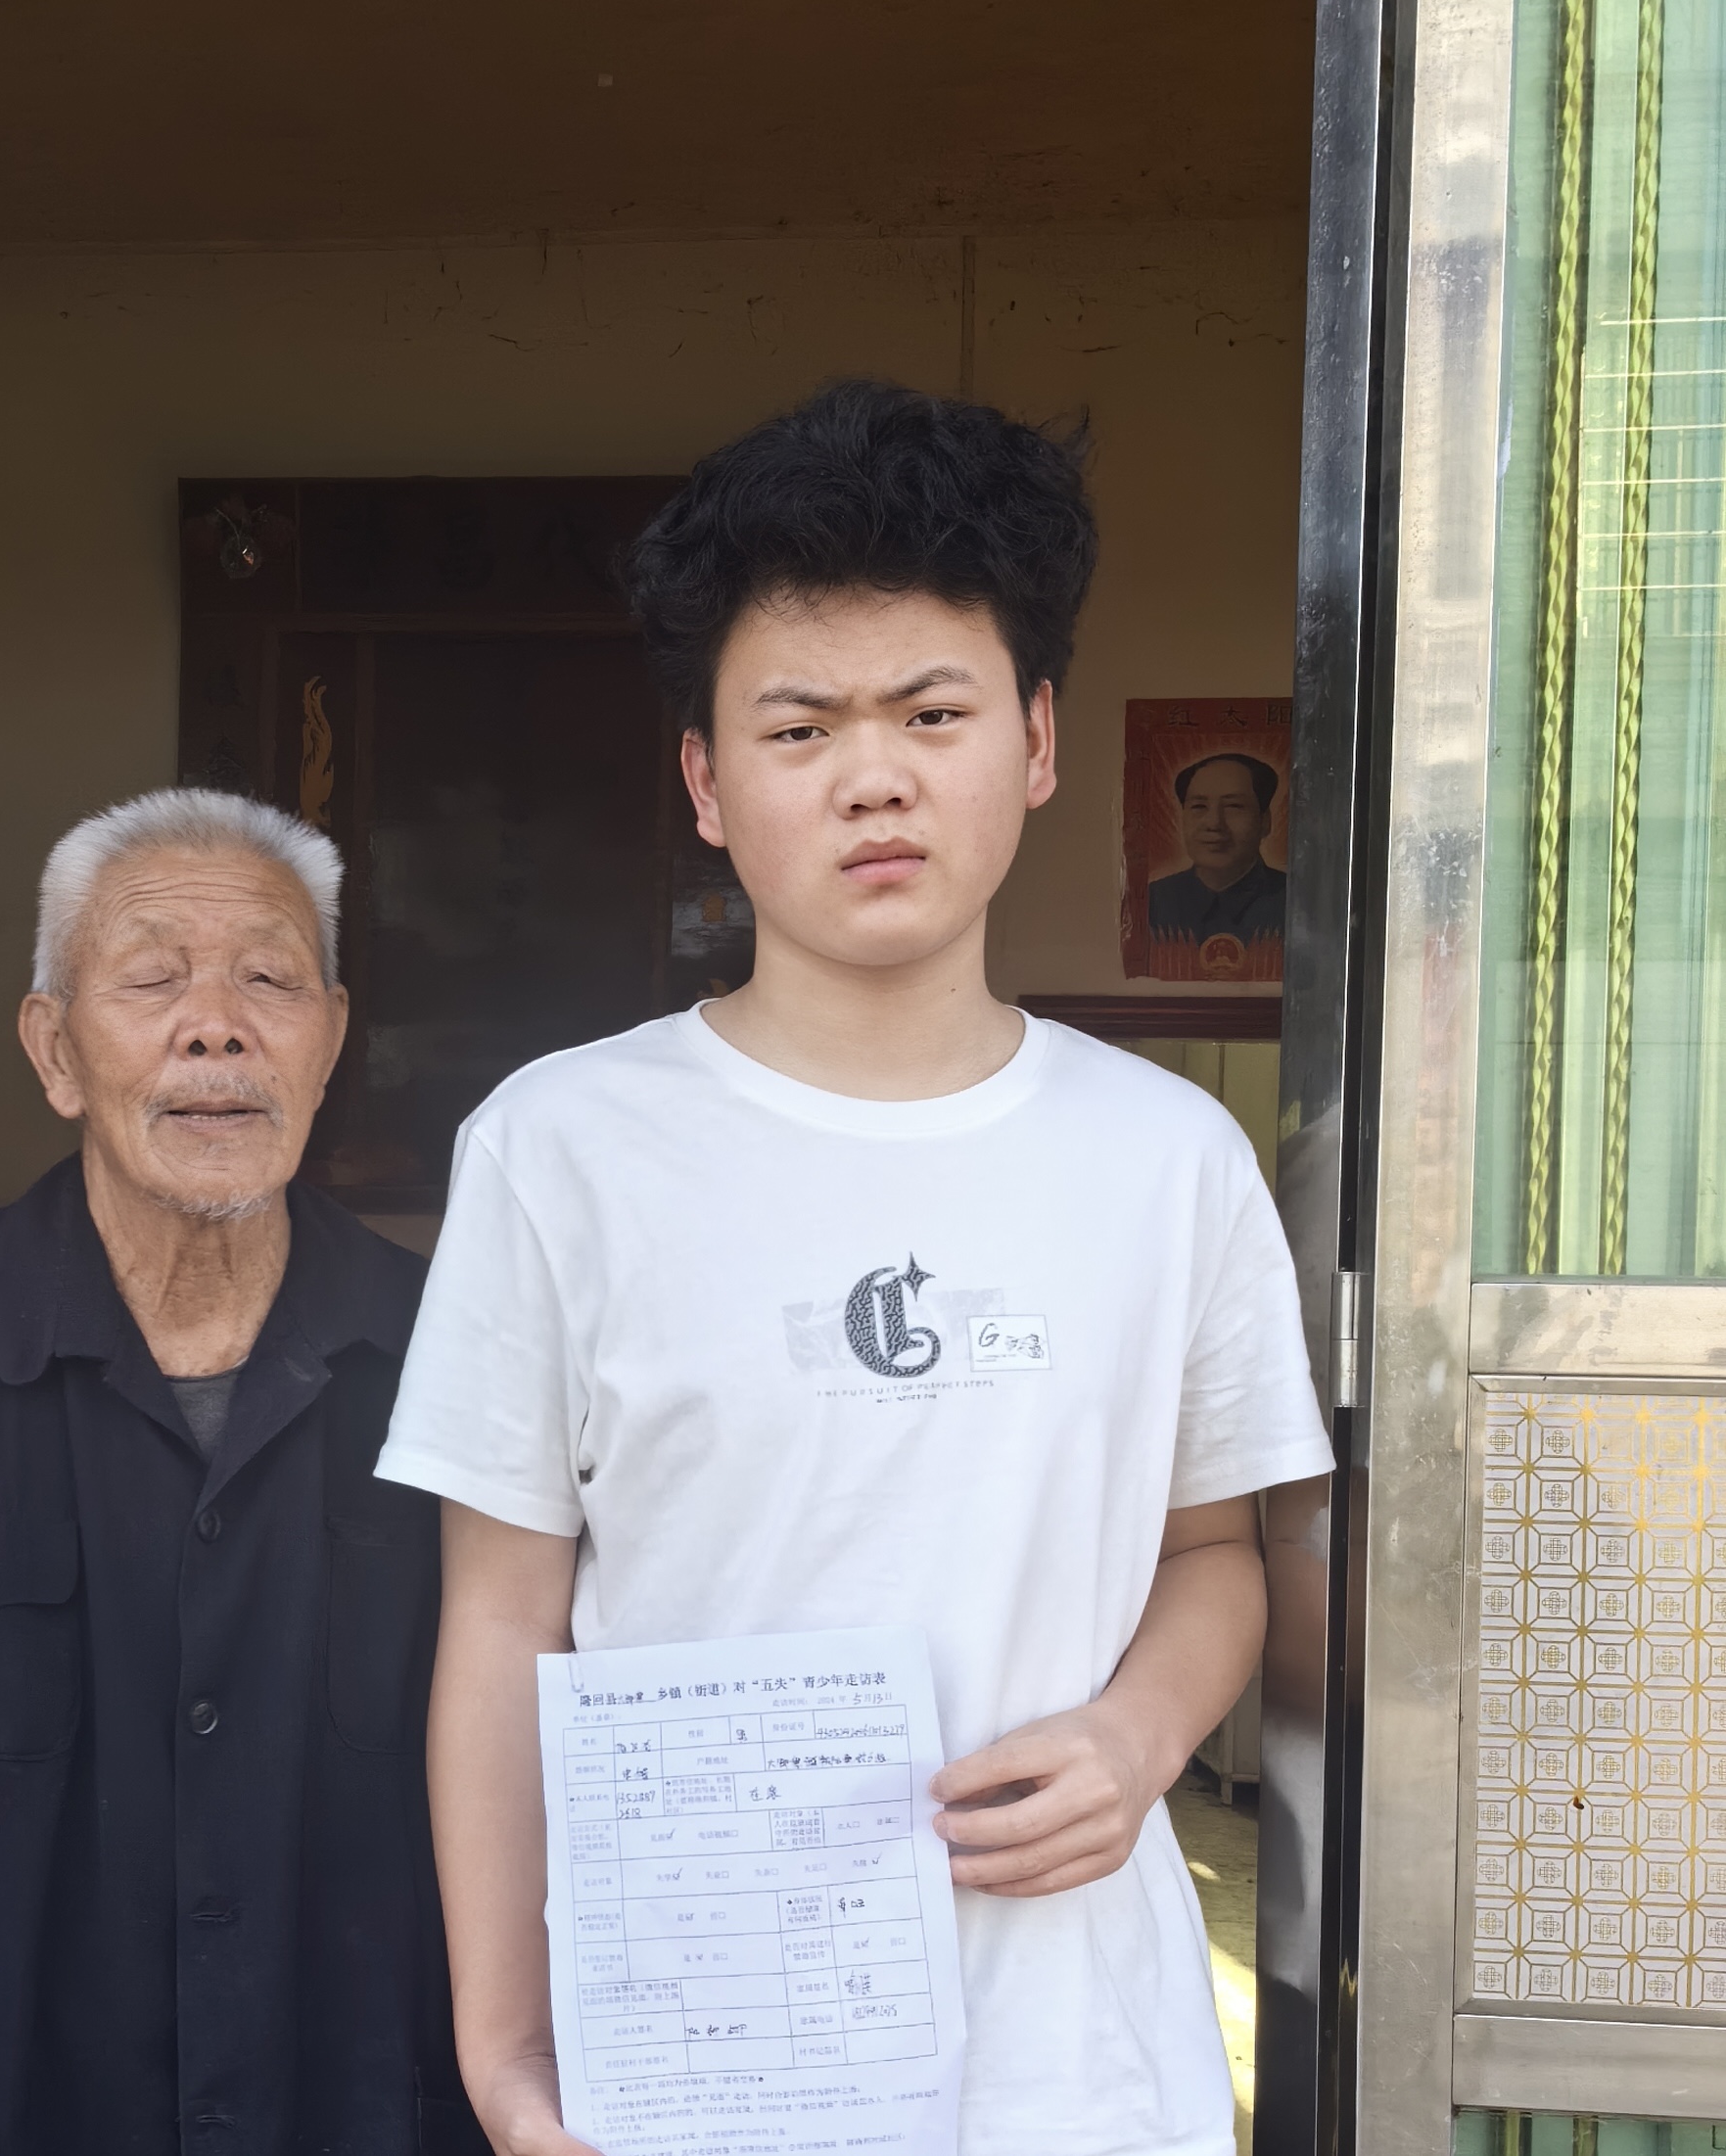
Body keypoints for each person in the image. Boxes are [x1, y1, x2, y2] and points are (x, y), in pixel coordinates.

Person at [378, 380, 1334, 2156]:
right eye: (799, 725)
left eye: (931, 711)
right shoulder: (559, 1146)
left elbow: (1215, 1553)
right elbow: (502, 1620)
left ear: (1034, 742)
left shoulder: (1165, 1155)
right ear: (705, 781)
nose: (872, 774)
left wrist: (1137, 1738)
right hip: (702, 2072)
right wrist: (503, 2049)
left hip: (1080, 2080)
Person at [0, 789, 481, 2156]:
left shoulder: (453, 1339)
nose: (216, 1025)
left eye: (269, 980)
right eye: (153, 979)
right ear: (55, 1049)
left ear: (330, 1039)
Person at [1147, 752, 1287, 956]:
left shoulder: (1294, 901)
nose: (1214, 823)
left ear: (1265, 821)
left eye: (1233, 806)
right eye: (1199, 806)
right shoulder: (1152, 902)